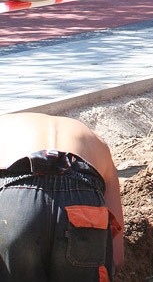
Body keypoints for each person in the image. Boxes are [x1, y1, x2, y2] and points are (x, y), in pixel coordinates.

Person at [0, 113, 124, 281]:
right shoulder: (96, 141)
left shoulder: (4, 126)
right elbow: (117, 258)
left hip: (18, 200)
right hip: (83, 199)